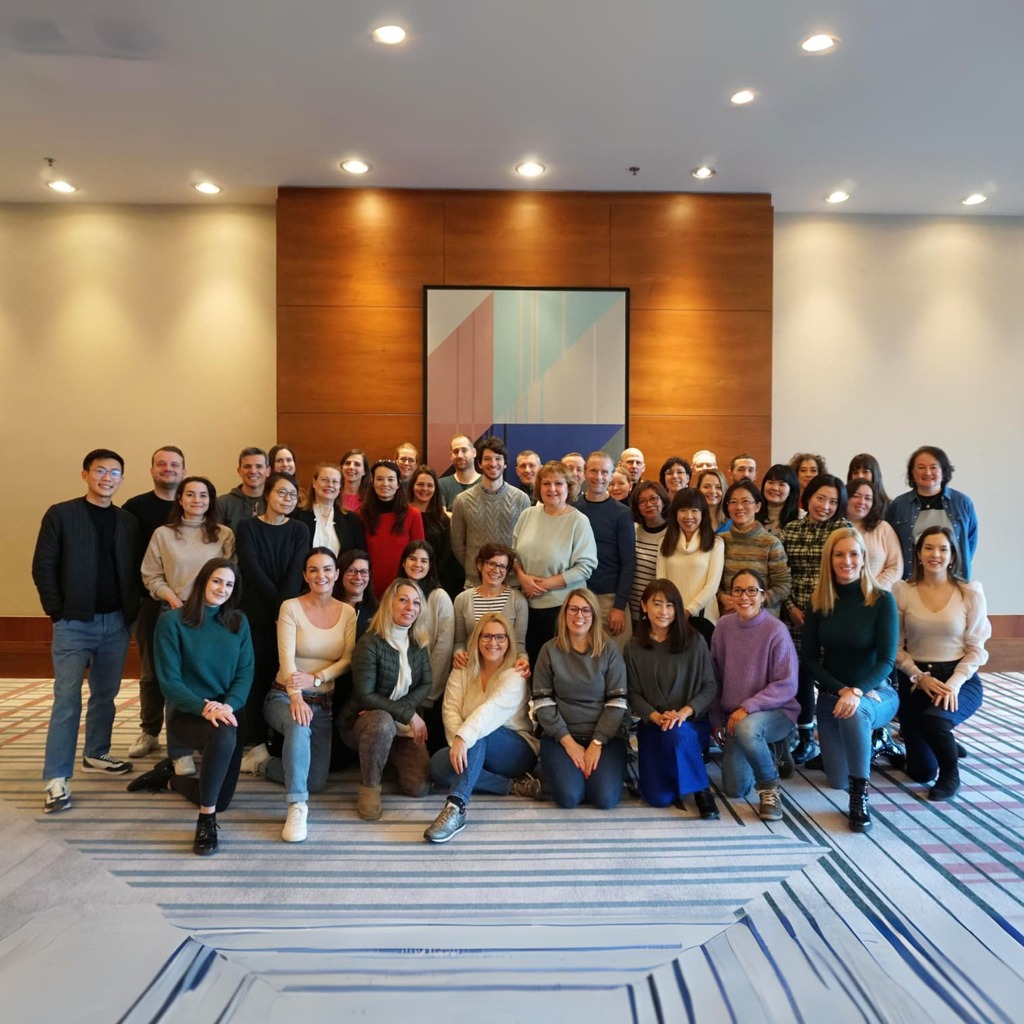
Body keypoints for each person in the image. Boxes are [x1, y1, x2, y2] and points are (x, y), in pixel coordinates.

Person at [32, 449, 140, 812]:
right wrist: (57, 612)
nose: (107, 478)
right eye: (100, 471)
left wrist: (130, 614)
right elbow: (43, 566)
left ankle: (96, 752)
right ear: (85, 475)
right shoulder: (61, 514)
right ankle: (57, 778)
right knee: (66, 700)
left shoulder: (127, 521)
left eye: (114, 472)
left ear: (122, 479)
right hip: (73, 623)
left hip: (116, 622)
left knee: (105, 694)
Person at [137, 558, 253, 855]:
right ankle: (206, 820)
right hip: (188, 712)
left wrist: (227, 706)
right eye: (217, 581)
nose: (222, 589)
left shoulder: (238, 622)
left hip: (228, 710)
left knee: (224, 796)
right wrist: (205, 707)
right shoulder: (172, 621)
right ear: (202, 581)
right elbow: (169, 682)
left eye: (229, 584)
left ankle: (171, 780)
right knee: (223, 736)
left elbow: (245, 672)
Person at [241, 548, 356, 842]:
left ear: (337, 574)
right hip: (283, 696)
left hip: (323, 703)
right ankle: (296, 806)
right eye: (314, 570)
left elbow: (347, 660)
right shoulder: (290, 607)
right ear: (305, 575)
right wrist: (296, 696)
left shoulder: (347, 612)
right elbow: (286, 660)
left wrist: (318, 677)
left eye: (328, 569)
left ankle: (261, 763)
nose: (322, 575)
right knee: (298, 725)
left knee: (316, 781)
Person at [803, 528, 899, 833]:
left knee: (855, 712)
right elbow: (809, 661)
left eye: (854, 554)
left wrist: (857, 690)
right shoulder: (818, 601)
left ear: (863, 558)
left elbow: (886, 660)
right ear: (829, 560)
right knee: (835, 779)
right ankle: (875, 744)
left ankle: (860, 797)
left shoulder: (881, 600)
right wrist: (842, 689)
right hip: (833, 697)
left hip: (876, 695)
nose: (847, 561)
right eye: (839, 554)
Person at [141, 475, 236, 775]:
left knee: (206, 678)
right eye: (191, 495)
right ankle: (178, 750)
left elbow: (229, 575)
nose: (197, 500)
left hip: (213, 617)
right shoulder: (163, 534)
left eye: (204, 495)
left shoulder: (224, 535)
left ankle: (210, 736)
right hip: (176, 614)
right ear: (179, 499)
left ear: (212, 500)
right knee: (174, 681)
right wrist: (172, 599)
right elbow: (151, 575)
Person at [423, 614, 540, 842]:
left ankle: (456, 807)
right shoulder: (463, 669)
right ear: (476, 639)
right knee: (437, 766)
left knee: (479, 734)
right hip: (472, 744)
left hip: (515, 749)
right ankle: (513, 786)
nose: (493, 643)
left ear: (509, 641)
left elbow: (489, 713)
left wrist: (464, 740)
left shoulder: (516, 674)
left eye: (500, 637)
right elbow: (450, 710)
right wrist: (458, 743)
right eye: (486, 636)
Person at [893, 526, 990, 801]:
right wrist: (916, 675)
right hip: (916, 680)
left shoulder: (969, 592)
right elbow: (896, 647)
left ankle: (951, 775)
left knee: (934, 721)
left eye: (943, 549)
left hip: (959, 677)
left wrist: (954, 684)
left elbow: (976, 648)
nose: (936, 554)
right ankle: (943, 740)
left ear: (952, 555)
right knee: (921, 772)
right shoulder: (902, 590)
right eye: (929, 548)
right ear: (919, 554)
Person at [339, 579, 433, 820]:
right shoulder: (370, 642)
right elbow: (365, 696)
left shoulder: (418, 642)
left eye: (415, 603)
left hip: (402, 726)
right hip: (364, 722)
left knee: (419, 787)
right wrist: (409, 714)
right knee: (382, 722)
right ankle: (370, 787)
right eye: (403, 600)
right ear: (389, 603)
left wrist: (406, 712)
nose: (409, 607)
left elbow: (426, 684)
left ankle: (385, 757)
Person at [625, 580, 720, 818]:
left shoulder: (694, 641)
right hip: (653, 725)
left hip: (689, 723)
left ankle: (701, 789)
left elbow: (710, 687)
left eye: (670, 605)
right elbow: (632, 692)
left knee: (677, 732)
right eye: (657, 604)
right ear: (644, 606)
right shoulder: (633, 646)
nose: (663, 611)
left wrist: (684, 713)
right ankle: (682, 769)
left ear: (677, 609)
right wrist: (656, 716)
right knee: (659, 798)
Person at [711, 570, 800, 820]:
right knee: (735, 789)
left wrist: (748, 707)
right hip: (735, 718)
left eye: (752, 591)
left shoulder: (776, 630)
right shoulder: (723, 626)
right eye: (737, 590)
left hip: (776, 712)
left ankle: (769, 786)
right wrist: (716, 718)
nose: (744, 596)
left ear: (763, 597)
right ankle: (772, 751)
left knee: (749, 730)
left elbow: (787, 685)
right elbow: (714, 677)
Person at [532, 589, 630, 809]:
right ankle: (574, 774)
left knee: (604, 799)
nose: (579, 616)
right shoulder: (548, 650)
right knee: (569, 798)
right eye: (573, 609)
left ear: (594, 615)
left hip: (606, 738)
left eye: (586, 610)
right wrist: (569, 744)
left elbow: (617, 703)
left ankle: (597, 774)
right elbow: (543, 702)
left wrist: (596, 743)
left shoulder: (610, 650)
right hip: (561, 736)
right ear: (564, 613)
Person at [781, 474, 852, 764]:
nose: (825, 506)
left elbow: (849, 576)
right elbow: (781, 574)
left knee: (831, 679)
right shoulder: (791, 529)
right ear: (807, 497)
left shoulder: (844, 530)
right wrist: (789, 607)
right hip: (795, 617)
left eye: (833, 501)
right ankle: (806, 738)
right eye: (820, 498)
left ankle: (835, 741)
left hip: (831, 618)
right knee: (800, 676)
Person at [122, 445, 186, 759]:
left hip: (191, 607)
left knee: (185, 671)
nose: (168, 469)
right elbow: (128, 558)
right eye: (161, 464)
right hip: (150, 602)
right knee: (151, 672)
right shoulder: (135, 507)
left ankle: (184, 734)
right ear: (151, 470)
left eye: (174, 465)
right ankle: (149, 732)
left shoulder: (192, 508)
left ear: (184, 471)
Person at [235, 471, 308, 743]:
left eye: (292, 495)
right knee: (254, 676)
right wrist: (280, 609)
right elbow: (251, 570)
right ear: (266, 494)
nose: (287, 499)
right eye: (281, 492)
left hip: (288, 617)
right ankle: (252, 739)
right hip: (255, 615)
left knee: (283, 677)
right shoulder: (247, 527)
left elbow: (295, 572)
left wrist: (284, 612)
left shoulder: (299, 529)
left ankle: (277, 738)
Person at [512, 460, 598, 666]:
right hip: (526, 605)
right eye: (546, 483)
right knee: (530, 662)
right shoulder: (527, 514)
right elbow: (513, 554)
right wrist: (523, 578)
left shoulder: (579, 521)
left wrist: (540, 586)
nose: (552, 489)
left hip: (562, 608)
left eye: (558, 484)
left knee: (559, 665)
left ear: (569, 487)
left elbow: (585, 567)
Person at [886, 445, 979, 582]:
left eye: (934, 467)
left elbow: (970, 540)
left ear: (944, 471)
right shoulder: (899, 505)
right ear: (912, 472)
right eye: (921, 467)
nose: (928, 472)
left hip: (955, 581)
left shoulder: (962, 503)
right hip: (911, 582)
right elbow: (891, 545)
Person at [451, 436, 530, 587]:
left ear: (505, 463)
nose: (493, 463)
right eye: (487, 459)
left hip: (512, 584)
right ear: (479, 463)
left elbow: (526, 544)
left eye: (498, 458)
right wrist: (477, 568)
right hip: (475, 584)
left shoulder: (522, 499)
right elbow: (458, 544)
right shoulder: (462, 500)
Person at [397, 540, 455, 747]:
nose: (417, 564)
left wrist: (428, 693)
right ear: (403, 562)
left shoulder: (439, 597)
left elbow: (443, 649)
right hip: (397, 690)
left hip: (427, 695)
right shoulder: (393, 594)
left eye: (424, 560)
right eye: (412, 559)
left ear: (431, 566)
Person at [576, 451, 636, 646]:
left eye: (604, 472)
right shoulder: (573, 509)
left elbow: (628, 562)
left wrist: (619, 606)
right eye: (593, 471)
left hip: (610, 600)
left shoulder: (622, 513)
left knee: (617, 662)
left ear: (611, 476)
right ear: (585, 473)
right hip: (578, 596)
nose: (599, 477)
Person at [718, 480, 792, 618]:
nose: (739, 507)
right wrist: (722, 597)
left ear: (757, 506)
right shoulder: (719, 541)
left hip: (763, 620)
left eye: (746, 501)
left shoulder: (771, 543)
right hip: (728, 619)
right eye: (733, 502)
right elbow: (712, 582)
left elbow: (783, 585)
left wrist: (753, 602)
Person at [656, 489, 724, 634]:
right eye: (683, 510)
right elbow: (661, 582)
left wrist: (688, 610)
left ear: (703, 514)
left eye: (694, 510)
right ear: (675, 514)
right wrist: (673, 611)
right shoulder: (665, 542)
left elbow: (712, 585)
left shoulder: (715, 543)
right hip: (670, 615)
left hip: (703, 617)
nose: (689, 516)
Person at [452, 543, 529, 667]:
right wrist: (458, 653)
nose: (497, 570)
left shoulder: (518, 600)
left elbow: (519, 644)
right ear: (480, 565)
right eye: (492, 564)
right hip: (471, 666)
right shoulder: (462, 600)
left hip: (506, 668)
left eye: (502, 566)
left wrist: (523, 659)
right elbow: (459, 642)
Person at [359, 459, 425, 599]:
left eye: (390, 479)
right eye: (380, 479)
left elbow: (419, 555)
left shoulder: (413, 515)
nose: (385, 484)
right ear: (372, 482)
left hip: (403, 588)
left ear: (398, 483)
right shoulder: (361, 515)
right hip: (368, 587)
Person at [293, 462, 366, 576]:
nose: (330, 485)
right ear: (314, 483)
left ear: (339, 487)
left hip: (341, 585)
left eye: (335, 481)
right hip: (305, 584)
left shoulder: (351, 519)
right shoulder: (297, 516)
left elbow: (359, 555)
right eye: (325, 480)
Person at [408, 463, 461, 596]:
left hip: (435, 583)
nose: (425, 489)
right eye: (420, 484)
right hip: (406, 580)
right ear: (412, 486)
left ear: (435, 489)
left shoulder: (442, 519)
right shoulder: (403, 515)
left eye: (430, 485)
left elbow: (445, 554)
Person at [846, 479, 902, 589]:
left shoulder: (883, 528)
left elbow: (896, 566)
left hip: (878, 596)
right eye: (856, 496)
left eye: (868, 498)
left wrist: (873, 589)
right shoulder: (834, 527)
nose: (862, 502)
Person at [629, 481, 670, 628]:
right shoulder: (632, 531)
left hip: (660, 612)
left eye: (654, 498)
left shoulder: (674, 534)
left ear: (663, 501)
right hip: (632, 608)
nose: (649, 504)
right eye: (642, 501)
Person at [218, 447, 269, 533]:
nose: (253, 471)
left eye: (259, 466)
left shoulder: (275, 503)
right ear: (239, 471)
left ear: (268, 471)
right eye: (247, 466)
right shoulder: (222, 504)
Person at [756, 464, 804, 538]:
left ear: (791, 491)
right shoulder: (753, 514)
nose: (775, 488)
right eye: (770, 482)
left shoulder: (801, 518)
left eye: (781, 484)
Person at [439, 434, 481, 510]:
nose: (460, 455)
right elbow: (442, 516)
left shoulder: (487, 483)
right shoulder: (442, 484)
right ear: (451, 456)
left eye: (464, 450)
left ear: (474, 452)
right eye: (456, 451)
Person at [695, 468, 730, 533]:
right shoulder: (692, 519)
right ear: (698, 489)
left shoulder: (732, 521)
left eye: (718, 487)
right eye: (706, 487)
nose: (712, 491)